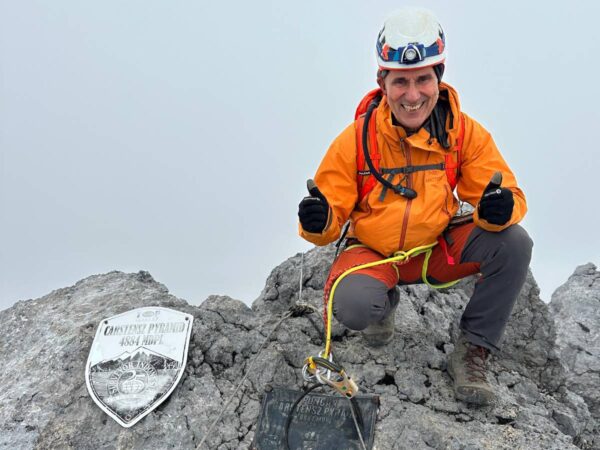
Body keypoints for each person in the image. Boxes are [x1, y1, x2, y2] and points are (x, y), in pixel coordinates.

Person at [297, 7, 533, 406]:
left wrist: (500, 207)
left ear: (439, 77)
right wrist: (317, 220)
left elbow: (508, 193)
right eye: (400, 81)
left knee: (513, 243)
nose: (412, 95)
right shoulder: (355, 140)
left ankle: (473, 351)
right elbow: (328, 218)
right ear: (382, 82)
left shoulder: (463, 134)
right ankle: (382, 302)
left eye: (423, 79)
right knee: (355, 307)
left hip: (435, 250)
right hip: (373, 254)